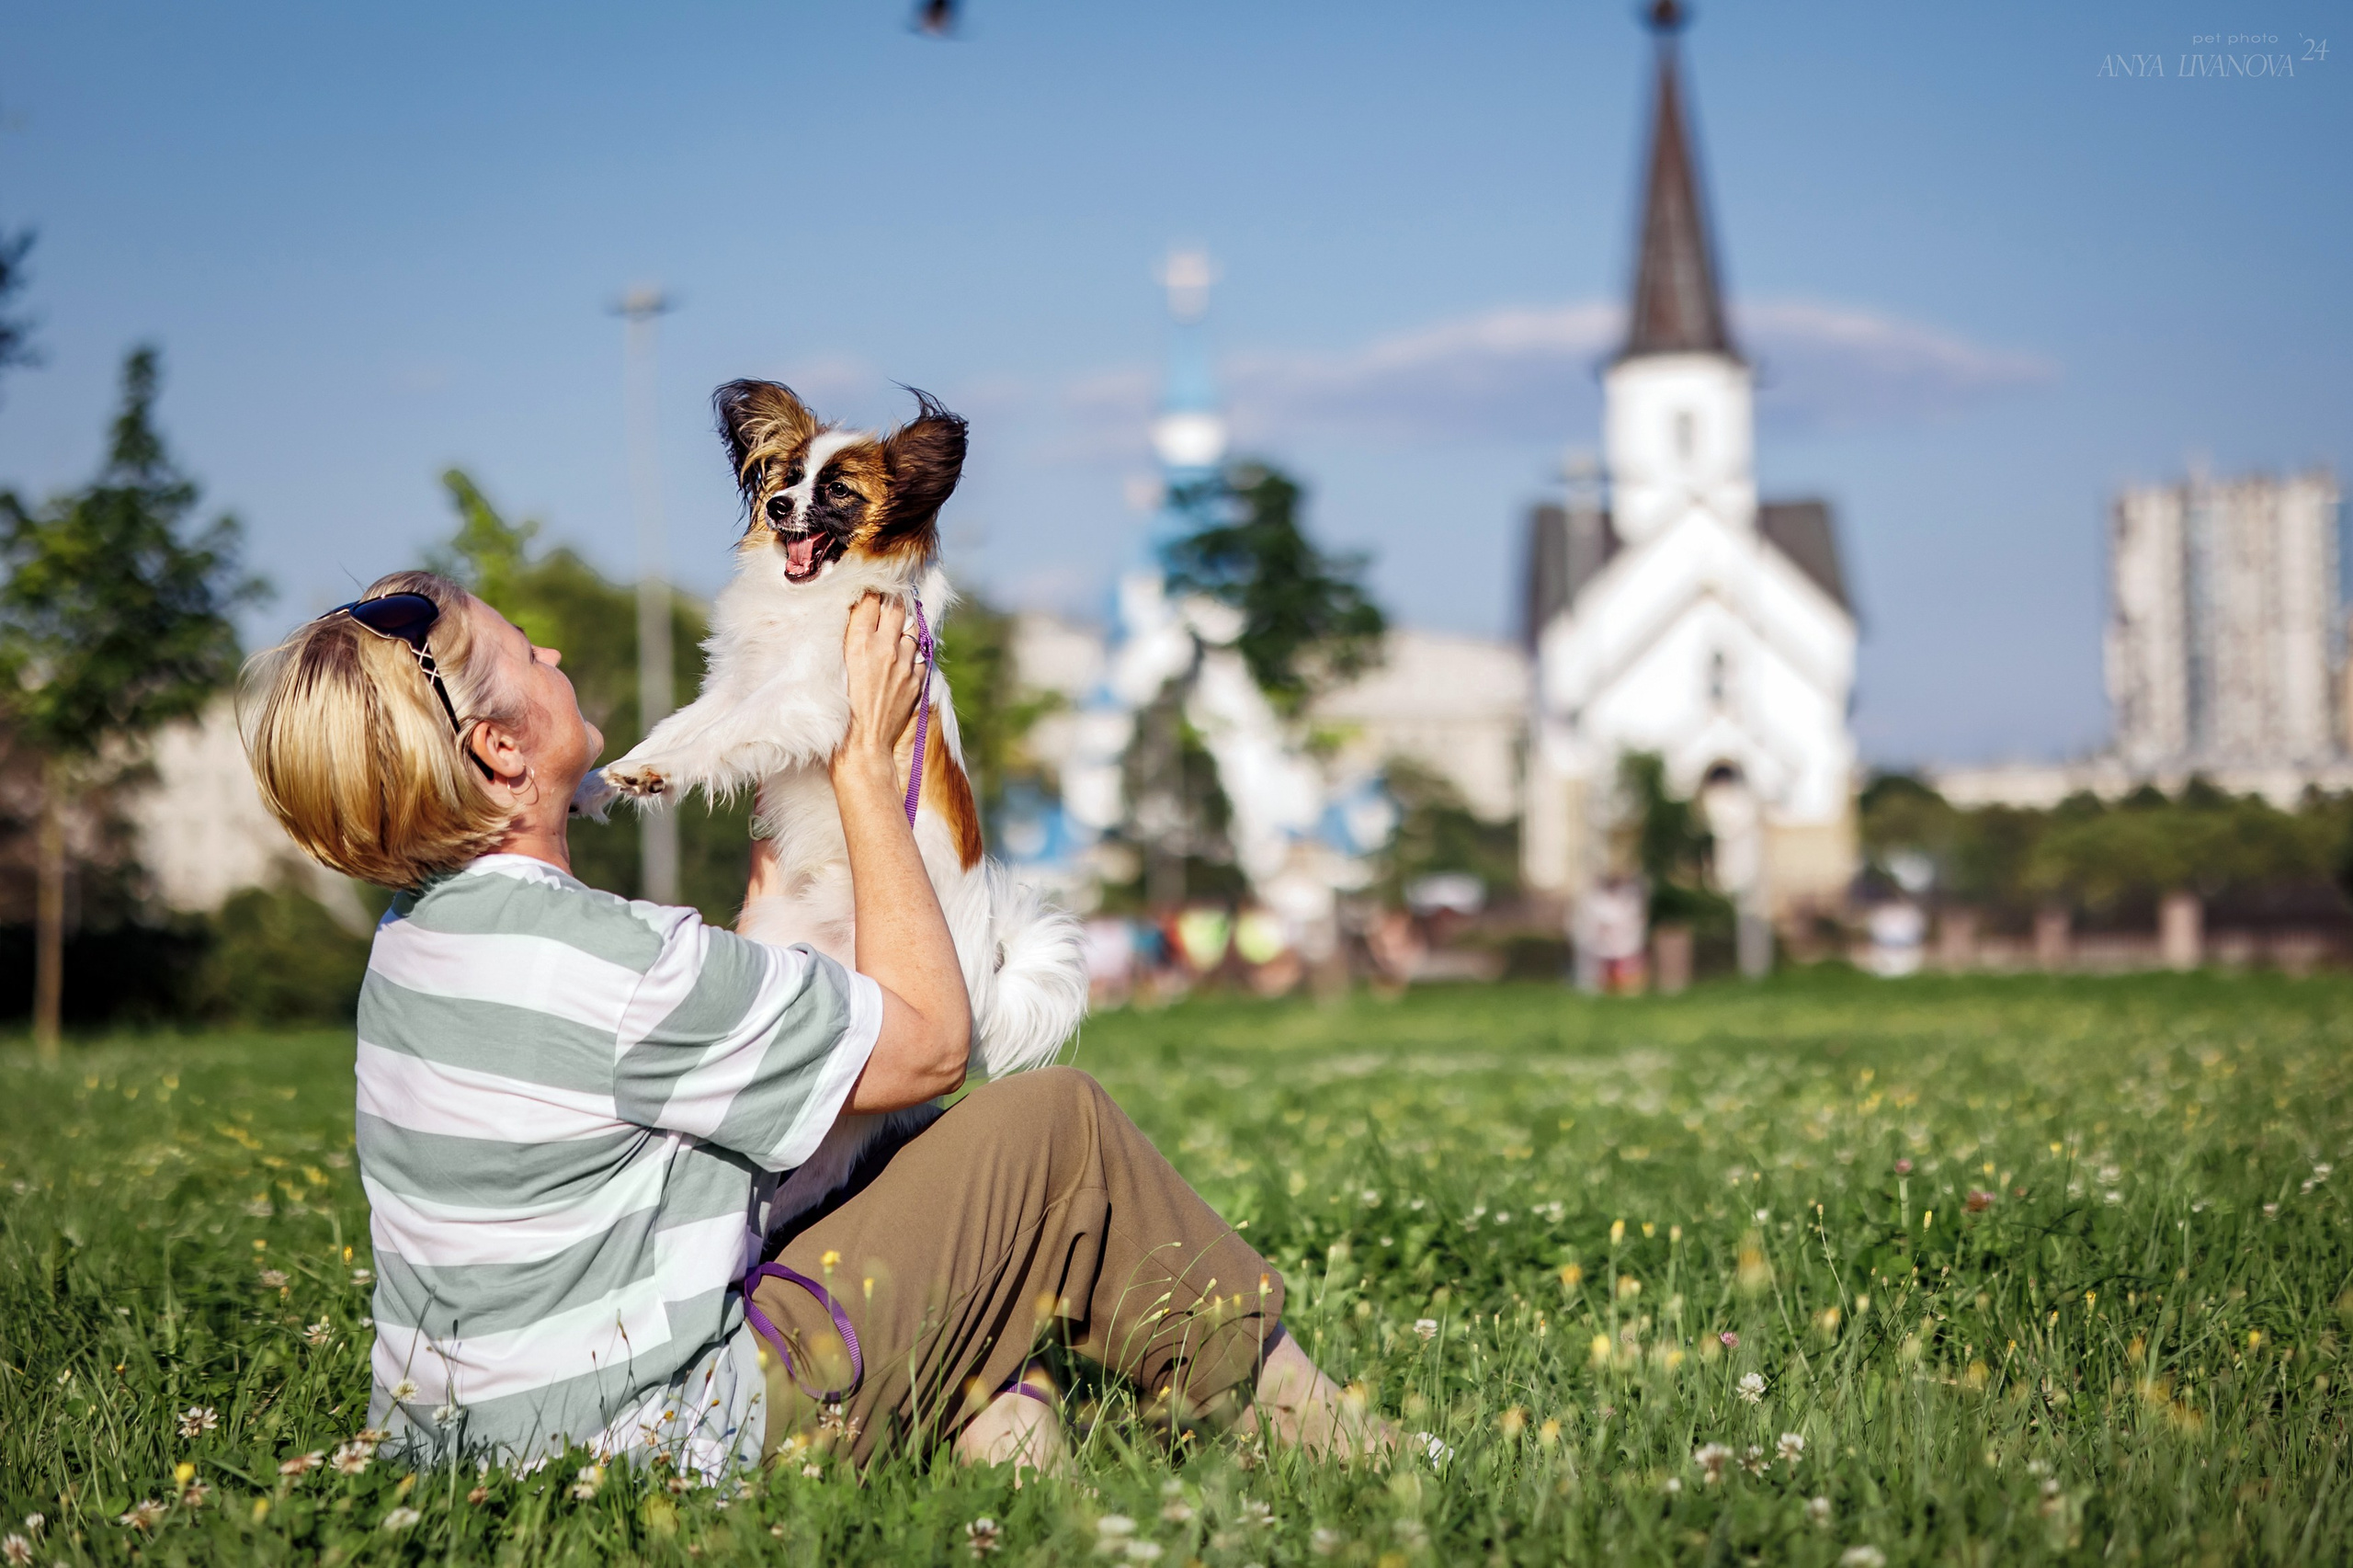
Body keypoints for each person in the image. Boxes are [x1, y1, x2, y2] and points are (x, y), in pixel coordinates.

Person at [238, 570, 1374, 1478]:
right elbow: (931, 1043)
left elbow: (666, 1084)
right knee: (1057, 1128)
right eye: (524, 652)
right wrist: (863, 767)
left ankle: (1023, 1476)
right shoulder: (618, 964)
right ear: (499, 749)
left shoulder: (414, 948)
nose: (551, 650)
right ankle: (1332, 1441)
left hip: (459, 1453)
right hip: (651, 1447)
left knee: (922, 1204)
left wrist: (769, 898)